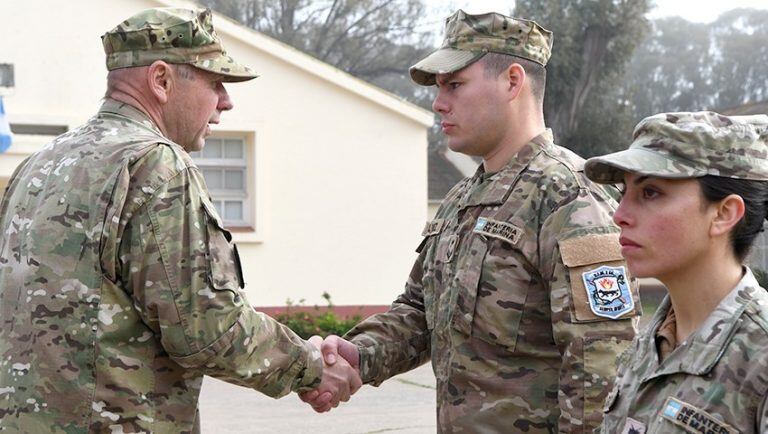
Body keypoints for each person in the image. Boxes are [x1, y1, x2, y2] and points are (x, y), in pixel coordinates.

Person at [0, 7, 359, 433]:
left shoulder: (40, 164)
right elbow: (208, 330)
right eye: (215, 82)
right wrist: (313, 366)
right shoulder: (156, 166)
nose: (226, 101)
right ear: (161, 80)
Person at [303, 9, 640, 433]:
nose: (438, 102)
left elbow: (601, 370)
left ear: (512, 82)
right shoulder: (463, 198)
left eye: (454, 85)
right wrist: (355, 355)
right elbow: (418, 313)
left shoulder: (569, 198)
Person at [583, 111, 768, 434]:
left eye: (650, 192)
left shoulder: (759, 359)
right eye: (623, 192)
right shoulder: (648, 346)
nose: (620, 215)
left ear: (724, 214)